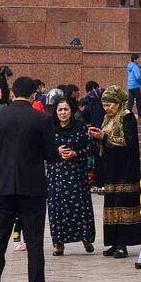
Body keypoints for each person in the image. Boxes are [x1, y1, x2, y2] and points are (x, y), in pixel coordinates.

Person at [0, 76, 59, 282]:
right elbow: (51, 155)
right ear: (34, 94)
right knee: (34, 243)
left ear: (12, 93)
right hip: (32, 188)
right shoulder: (42, 119)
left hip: (2, 187)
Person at [89, 85, 141, 258]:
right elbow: (105, 142)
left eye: (110, 104)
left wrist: (103, 137)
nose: (107, 108)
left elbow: (128, 142)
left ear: (119, 103)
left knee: (123, 206)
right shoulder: (107, 119)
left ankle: (122, 244)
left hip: (126, 170)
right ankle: (113, 242)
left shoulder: (127, 118)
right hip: (111, 169)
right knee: (111, 205)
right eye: (104, 105)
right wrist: (98, 137)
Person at [47, 98, 96, 256]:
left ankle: (86, 239)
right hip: (56, 175)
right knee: (57, 208)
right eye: (60, 110)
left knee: (79, 206)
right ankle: (59, 244)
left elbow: (89, 147)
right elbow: (41, 149)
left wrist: (76, 153)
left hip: (76, 174)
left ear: (71, 111)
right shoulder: (49, 128)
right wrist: (56, 152)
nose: (62, 113)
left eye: (66, 109)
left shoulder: (79, 127)